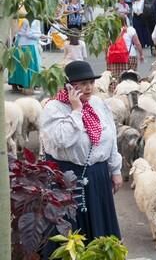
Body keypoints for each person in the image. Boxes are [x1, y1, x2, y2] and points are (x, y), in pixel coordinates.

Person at [40, 61, 122, 258]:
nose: (88, 87)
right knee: (70, 235)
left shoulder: (98, 104)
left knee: (100, 234)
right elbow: (62, 140)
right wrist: (76, 111)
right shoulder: (54, 109)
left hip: (98, 176)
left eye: (91, 83)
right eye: (82, 83)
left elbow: (110, 137)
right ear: (68, 86)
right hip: (67, 179)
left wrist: (116, 170)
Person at [9, 18, 44, 94]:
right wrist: (40, 36)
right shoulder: (33, 20)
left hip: (20, 44)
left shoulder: (24, 19)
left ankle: (16, 84)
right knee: (29, 65)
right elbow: (29, 34)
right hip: (29, 45)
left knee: (19, 65)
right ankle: (28, 86)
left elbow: (20, 32)